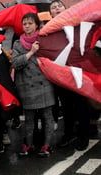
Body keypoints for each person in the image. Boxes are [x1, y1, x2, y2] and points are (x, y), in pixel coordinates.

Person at [49, 0, 91, 151]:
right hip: (59, 75)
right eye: (53, 7)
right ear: (51, 14)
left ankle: (83, 136)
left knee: (81, 105)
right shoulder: (49, 30)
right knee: (66, 106)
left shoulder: (76, 24)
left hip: (77, 71)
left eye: (59, 5)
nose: (56, 8)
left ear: (65, 9)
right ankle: (68, 134)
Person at [12, 13, 56, 157]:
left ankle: (47, 145)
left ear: (36, 25)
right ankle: (29, 144)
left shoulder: (44, 39)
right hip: (26, 85)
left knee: (47, 116)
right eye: (24, 24)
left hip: (44, 83)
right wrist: (31, 52)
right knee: (29, 118)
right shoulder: (18, 43)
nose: (27, 26)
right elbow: (15, 63)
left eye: (30, 23)